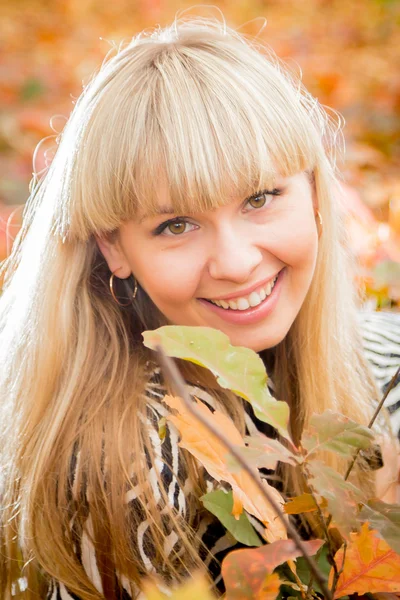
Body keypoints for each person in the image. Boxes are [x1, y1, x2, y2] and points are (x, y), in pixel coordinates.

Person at [1, 13, 399, 600]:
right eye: (176, 224)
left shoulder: (382, 368)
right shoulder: (121, 464)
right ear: (113, 247)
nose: (236, 262)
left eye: (260, 197)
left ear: (315, 190)